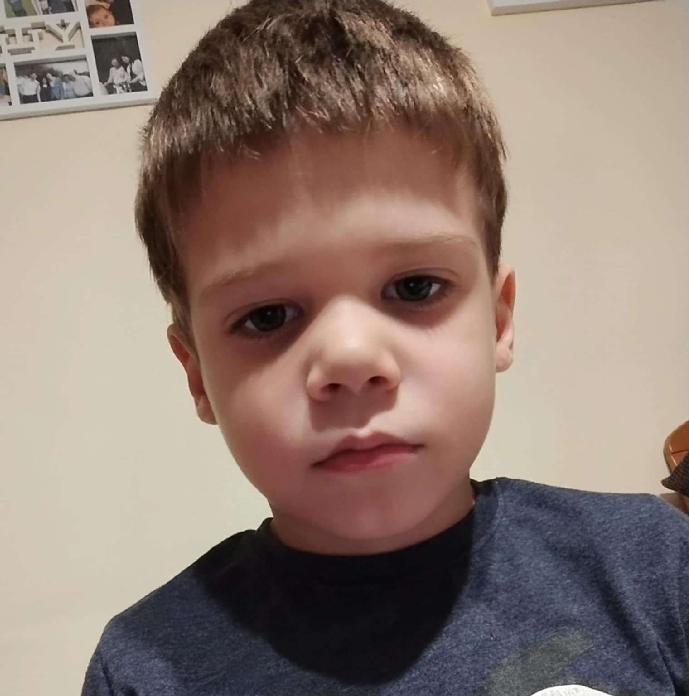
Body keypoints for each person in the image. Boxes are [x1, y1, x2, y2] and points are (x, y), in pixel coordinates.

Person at [80, 1, 689, 694]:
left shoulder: (654, 566)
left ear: (498, 319)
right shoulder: (144, 670)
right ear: (196, 376)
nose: (351, 358)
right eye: (268, 316)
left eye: (414, 287)